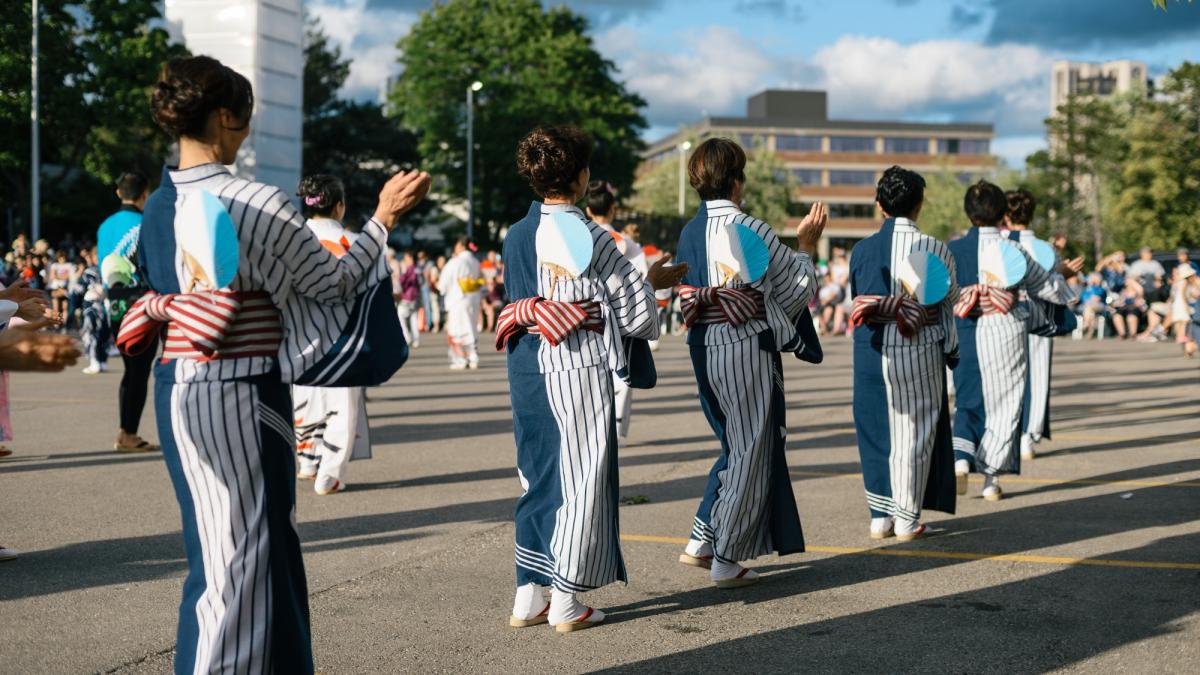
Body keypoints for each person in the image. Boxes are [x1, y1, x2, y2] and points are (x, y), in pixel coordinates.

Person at [131, 55, 428, 674]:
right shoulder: (255, 201)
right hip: (239, 384)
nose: (244, 133)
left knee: (221, 548)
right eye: (242, 120)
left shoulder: (157, 206)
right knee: (245, 554)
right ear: (221, 118)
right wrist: (383, 219)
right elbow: (332, 282)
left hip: (176, 380)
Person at [500, 125, 680, 633]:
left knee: (536, 474)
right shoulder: (597, 237)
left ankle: (528, 595)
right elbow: (638, 316)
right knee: (581, 476)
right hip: (574, 361)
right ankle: (567, 597)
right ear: (580, 178)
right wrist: (655, 287)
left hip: (526, 358)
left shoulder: (516, 233)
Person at [674, 138, 823, 587]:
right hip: (743, 343)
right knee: (751, 446)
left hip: (703, 339)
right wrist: (805, 246)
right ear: (736, 179)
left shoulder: (689, 231)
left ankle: (704, 538)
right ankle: (727, 555)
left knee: (732, 442)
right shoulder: (750, 228)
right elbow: (797, 289)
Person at [948, 181, 1077, 502]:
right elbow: (1045, 287)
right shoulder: (1011, 249)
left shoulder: (952, 249)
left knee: (967, 399)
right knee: (1003, 404)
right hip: (1005, 328)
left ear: (969, 212)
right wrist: (1063, 280)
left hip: (964, 325)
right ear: (1001, 213)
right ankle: (991, 480)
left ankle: (961, 458)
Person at [849, 166, 958, 541]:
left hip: (871, 346)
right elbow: (948, 304)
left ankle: (880, 515)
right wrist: (952, 350)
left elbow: (856, 300)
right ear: (919, 205)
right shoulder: (935, 248)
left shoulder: (861, 250)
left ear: (880, 205)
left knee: (874, 428)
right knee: (915, 429)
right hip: (919, 341)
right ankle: (907, 518)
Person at [291, 174, 373, 496]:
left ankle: (307, 462)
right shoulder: (356, 243)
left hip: (300, 333)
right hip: (345, 337)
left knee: (305, 397)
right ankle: (330, 473)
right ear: (340, 206)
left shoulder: (289, 240)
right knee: (341, 404)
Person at [1004, 190, 1083, 460]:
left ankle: (1007, 432)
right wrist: (1062, 274)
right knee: (1036, 376)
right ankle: (1028, 435)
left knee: (1004, 376)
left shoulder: (998, 243)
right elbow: (1056, 288)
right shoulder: (1044, 248)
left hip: (1004, 317)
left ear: (1005, 215)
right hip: (1039, 317)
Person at [97, 171, 162, 451]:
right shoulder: (146, 223)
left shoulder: (104, 226)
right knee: (139, 370)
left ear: (117, 193)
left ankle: (126, 431)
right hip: (141, 305)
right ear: (144, 194)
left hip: (113, 305)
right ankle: (129, 434)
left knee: (129, 370)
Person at [586, 179, 648, 439]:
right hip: (620, 317)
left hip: (587, 318)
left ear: (588, 211)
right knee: (620, 372)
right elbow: (642, 277)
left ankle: (595, 424)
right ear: (613, 209)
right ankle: (618, 424)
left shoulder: (581, 236)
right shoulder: (625, 243)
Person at [438, 237, 484, 370]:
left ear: (462, 246)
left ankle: (461, 359)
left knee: (457, 329)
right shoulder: (475, 261)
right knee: (471, 327)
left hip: (458, 299)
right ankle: (473, 357)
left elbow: (443, 284)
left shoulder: (455, 261)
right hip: (473, 298)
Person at [396, 252, 422, 347]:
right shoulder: (418, 269)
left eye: (406, 258)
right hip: (416, 296)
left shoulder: (409, 269)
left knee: (400, 315)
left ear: (410, 258)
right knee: (413, 318)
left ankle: (407, 337)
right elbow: (420, 282)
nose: (405, 260)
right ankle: (416, 340)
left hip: (407, 296)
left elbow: (402, 281)